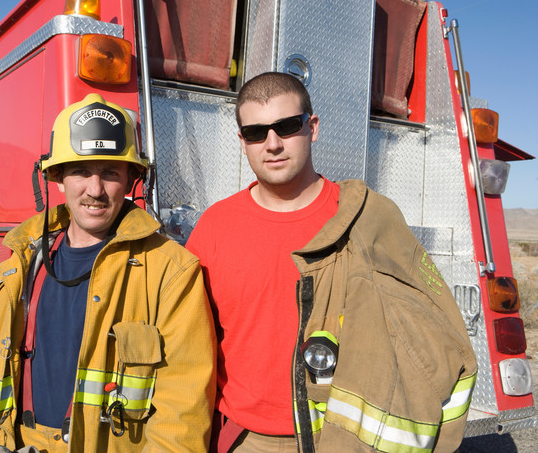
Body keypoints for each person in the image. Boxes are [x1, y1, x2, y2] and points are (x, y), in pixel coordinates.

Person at [186, 72, 477, 452]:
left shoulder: (366, 218)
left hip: (341, 439)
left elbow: (429, 331)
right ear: (243, 142)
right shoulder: (214, 228)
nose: (272, 144)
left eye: (287, 126)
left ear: (313, 127)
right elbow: (190, 348)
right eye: (256, 133)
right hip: (246, 440)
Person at [0, 93, 216, 453]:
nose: (95, 189)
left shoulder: (171, 272)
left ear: (130, 180)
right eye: (80, 172)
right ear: (57, 178)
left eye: (110, 173)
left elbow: (180, 420)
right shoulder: (22, 264)